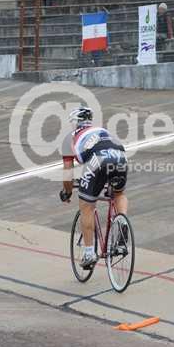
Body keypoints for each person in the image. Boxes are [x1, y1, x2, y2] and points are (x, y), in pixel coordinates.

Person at [59, 107, 129, 270]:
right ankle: (122, 223)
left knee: (87, 206)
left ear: (75, 122)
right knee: (118, 193)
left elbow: (68, 173)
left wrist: (67, 192)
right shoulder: (103, 131)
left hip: (97, 161)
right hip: (120, 157)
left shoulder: (69, 138)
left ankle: (89, 253)